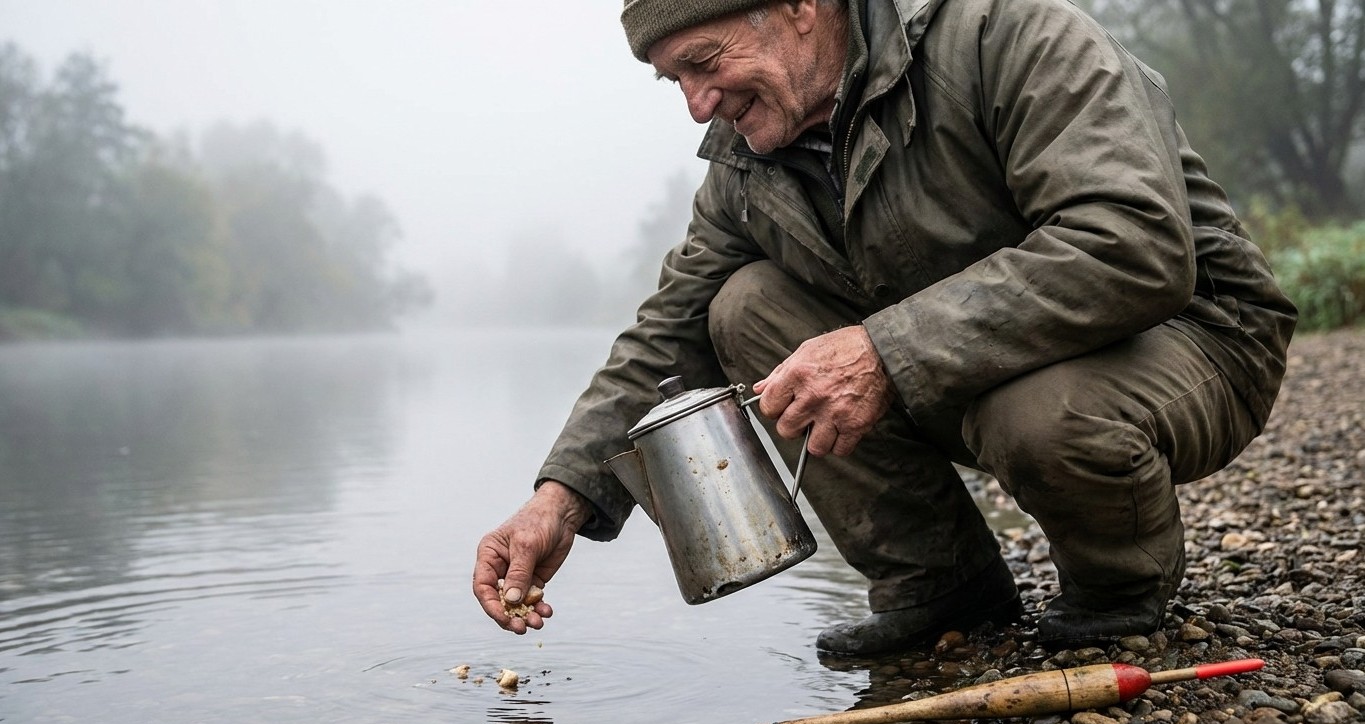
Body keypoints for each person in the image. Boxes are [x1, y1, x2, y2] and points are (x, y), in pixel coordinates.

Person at [472, 0, 1296, 655]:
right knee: (743, 305)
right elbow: (666, 332)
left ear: (798, 8)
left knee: (1036, 413)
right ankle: (940, 588)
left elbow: (1132, 243)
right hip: (976, 368)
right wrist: (560, 498)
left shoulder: (1010, 32)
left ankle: (1119, 588)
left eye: (704, 64)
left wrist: (882, 350)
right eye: (671, 82)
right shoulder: (743, 163)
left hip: (1193, 339)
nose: (696, 107)